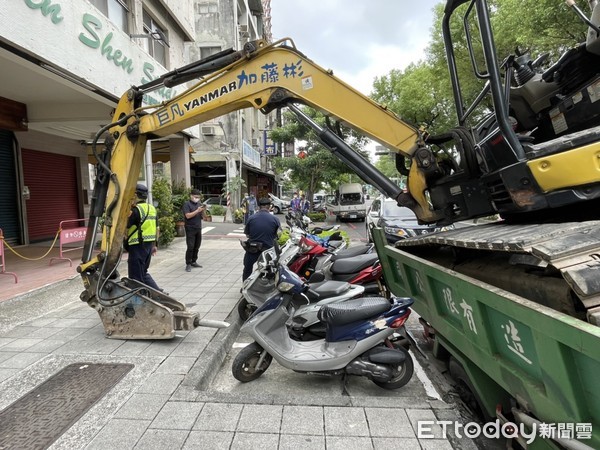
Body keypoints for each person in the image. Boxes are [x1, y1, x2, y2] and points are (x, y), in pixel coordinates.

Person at [126, 183, 161, 291]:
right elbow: (157, 228)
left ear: (135, 195)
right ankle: (159, 294)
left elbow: (126, 229)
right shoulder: (151, 208)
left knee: (135, 278)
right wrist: (155, 245)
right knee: (143, 272)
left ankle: (141, 298)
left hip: (137, 246)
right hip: (149, 246)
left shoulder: (136, 210)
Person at [242, 197, 281, 281]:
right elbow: (277, 235)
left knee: (247, 268)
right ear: (269, 207)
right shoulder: (275, 219)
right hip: (267, 250)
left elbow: (247, 235)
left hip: (252, 249)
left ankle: (245, 285)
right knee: (271, 269)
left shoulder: (251, 218)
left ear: (259, 207)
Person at [183, 188, 206, 272]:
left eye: (198, 197)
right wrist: (197, 211)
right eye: (195, 197)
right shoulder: (187, 204)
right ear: (191, 196)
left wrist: (203, 211)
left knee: (197, 246)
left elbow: (203, 217)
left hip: (198, 227)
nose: (197, 198)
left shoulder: (199, 204)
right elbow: (188, 216)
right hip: (190, 228)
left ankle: (194, 261)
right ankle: (188, 263)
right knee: (190, 246)